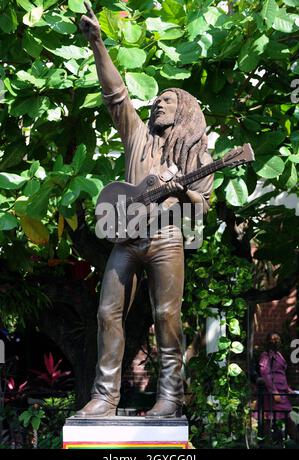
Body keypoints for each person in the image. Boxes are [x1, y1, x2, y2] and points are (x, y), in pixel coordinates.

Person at [76, 1, 213, 418]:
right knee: (106, 312)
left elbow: (202, 206)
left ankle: (169, 399)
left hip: (166, 239)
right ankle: (105, 397)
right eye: (156, 100)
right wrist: (97, 42)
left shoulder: (194, 154)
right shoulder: (137, 137)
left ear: (184, 111)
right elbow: (115, 94)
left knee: (167, 314)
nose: (158, 103)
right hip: (126, 235)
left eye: (168, 100)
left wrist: (181, 191)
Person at [259, 332, 296, 441]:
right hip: (274, 393)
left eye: (278, 339)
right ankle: (266, 442)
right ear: (268, 342)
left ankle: (294, 439)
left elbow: (281, 373)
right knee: (269, 418)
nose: (276, 342)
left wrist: (288, 390)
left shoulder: (279, 354)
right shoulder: (265, 356)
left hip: (282, 392)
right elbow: (265, 374)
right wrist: (274, 392)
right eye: (273, 340)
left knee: (285, 417)